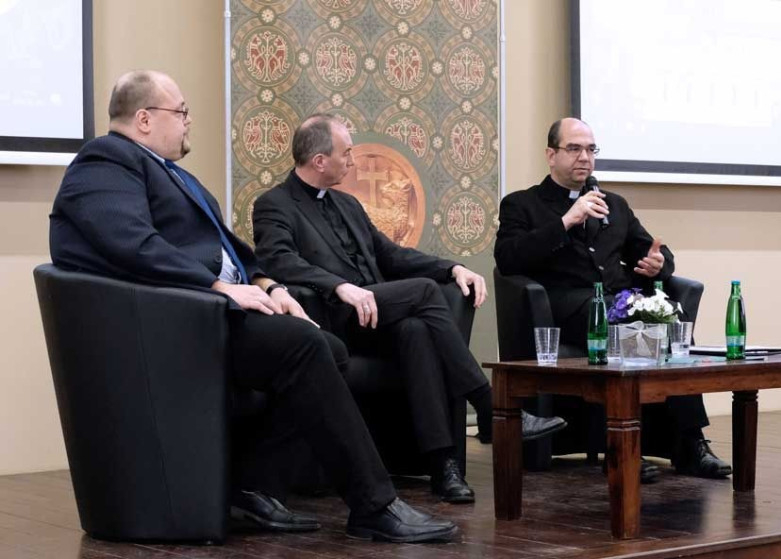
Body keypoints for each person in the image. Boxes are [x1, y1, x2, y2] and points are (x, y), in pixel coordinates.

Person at [49, 70, 459, 543]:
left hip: (207, 314)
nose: (188, 121)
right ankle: (374, 504)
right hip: (176, 325)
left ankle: (248, 489)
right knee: (306, 346)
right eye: (181, 112)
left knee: (328, 348)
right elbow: (129, 241)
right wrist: (216, 287)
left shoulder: (172, 173)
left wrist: (268, 284)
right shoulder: (104, 160)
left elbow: (232, 250)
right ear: (143, 118)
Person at [251, 113, 567, 503]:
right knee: (424, 292)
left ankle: (442, 467)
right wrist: (340, 286)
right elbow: (278, 260)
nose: (352, 161)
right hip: (330, 320)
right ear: (319, 160)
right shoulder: (275, 204)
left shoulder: (347, 204)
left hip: (375, 314)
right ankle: (489, 407)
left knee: (416, 331)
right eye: (346, 153)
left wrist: (452, 268)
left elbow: (391, 255)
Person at [494, 117, 731, 481]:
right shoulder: (522, 204)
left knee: (671, 326)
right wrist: (566, 221)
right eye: (574, 149)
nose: (584, 157)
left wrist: (659, 264)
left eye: (591, 149)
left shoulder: (614, 205)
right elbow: (508, 258)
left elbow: (653, 250)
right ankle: (621, 449)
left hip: (619, 301)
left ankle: (690, 444)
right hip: (564, 307)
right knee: (618, 323)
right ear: (551, 155)